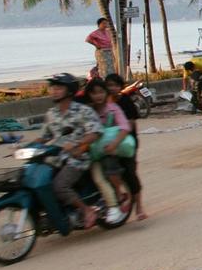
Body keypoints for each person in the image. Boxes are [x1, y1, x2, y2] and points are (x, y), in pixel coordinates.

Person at [35, 73, 102, 228]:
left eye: (58, 88)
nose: (54, 91)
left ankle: (86, 210)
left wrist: (77, 143)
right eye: (52, 88)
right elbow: (44, 137)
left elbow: (95, 132)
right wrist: (26, 146)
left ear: (69, 90)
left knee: (60, 186)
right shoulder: (51, 114)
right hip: (55, 158)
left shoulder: (83, 111)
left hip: (77, 157)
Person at [82, 79, 131, 224]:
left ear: (106, 93)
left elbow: (125, 127)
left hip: (110, 150)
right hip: (92, 151)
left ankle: (115, 201)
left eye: (101, 92)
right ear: (89, 95)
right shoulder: (87, 111)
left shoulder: (112, 108)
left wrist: (114, 144)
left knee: (107, 172)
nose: (98, 96)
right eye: (94, 93)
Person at [104, 74, 146, 220]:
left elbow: (131, 124)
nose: (112, 88)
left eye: (115, 85)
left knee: (130, 173)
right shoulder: (104, 103)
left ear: (120, 86)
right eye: (109, 85)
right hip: (109, 143)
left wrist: (117, 129)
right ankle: (120, 197)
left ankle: (139, 207)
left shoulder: (125, 101)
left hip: (127, 143)